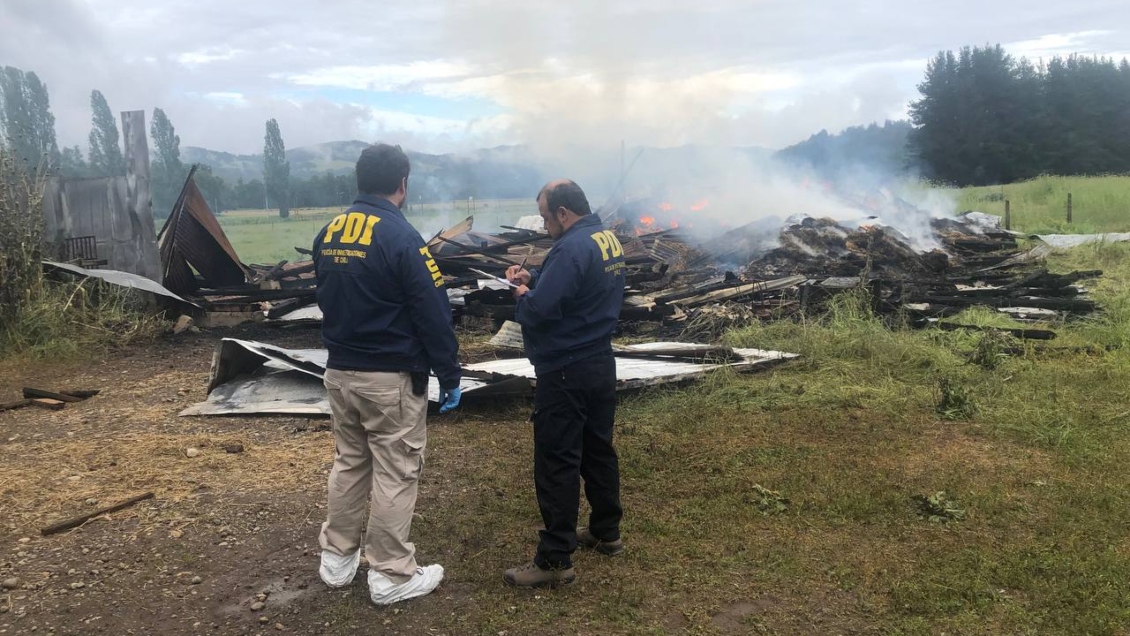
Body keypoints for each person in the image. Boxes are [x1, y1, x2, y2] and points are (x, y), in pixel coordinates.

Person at [312, 143, 463, 605]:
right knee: (397, 471)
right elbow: (432, 311)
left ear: (358, 181)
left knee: (350, 463)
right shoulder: (402, 237)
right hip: (389, 379)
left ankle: (337, 560)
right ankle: (392, 575)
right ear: (403, 183)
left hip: (339, 371)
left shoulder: (329, 232)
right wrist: (449, 373)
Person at [502, 179, 626, 588]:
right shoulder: (603, 239)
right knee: (597, 449)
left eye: (544, 217)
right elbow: (575, 285)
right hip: (599, 362)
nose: (543, 226)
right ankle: (607, 532)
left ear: (562, 213)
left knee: (557, 461)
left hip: (566, 370)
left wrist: (522, 293)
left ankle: (555, 560)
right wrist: (535, 275)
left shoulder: (571, 247)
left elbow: (540, 311)